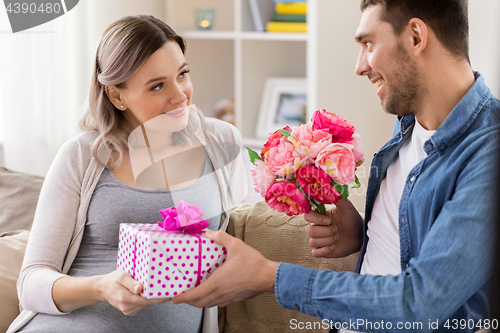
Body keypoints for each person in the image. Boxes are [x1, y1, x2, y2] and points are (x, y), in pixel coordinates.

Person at [173, 0, 500, 332]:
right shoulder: (411, 123)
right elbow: (410, 246)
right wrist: (363, 236)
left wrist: (268, 276)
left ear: (416, 37)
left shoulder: (489, 149)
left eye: (368, 43)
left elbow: (418, 303)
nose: (360, 66)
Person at [7, 15, 246, 333]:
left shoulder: (221, 141)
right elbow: (31, 283)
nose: (180, 96)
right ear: (117, 96)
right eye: (157, 86)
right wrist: (102, 287)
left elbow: (252, 216)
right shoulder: (81, 156)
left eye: (182, 74)